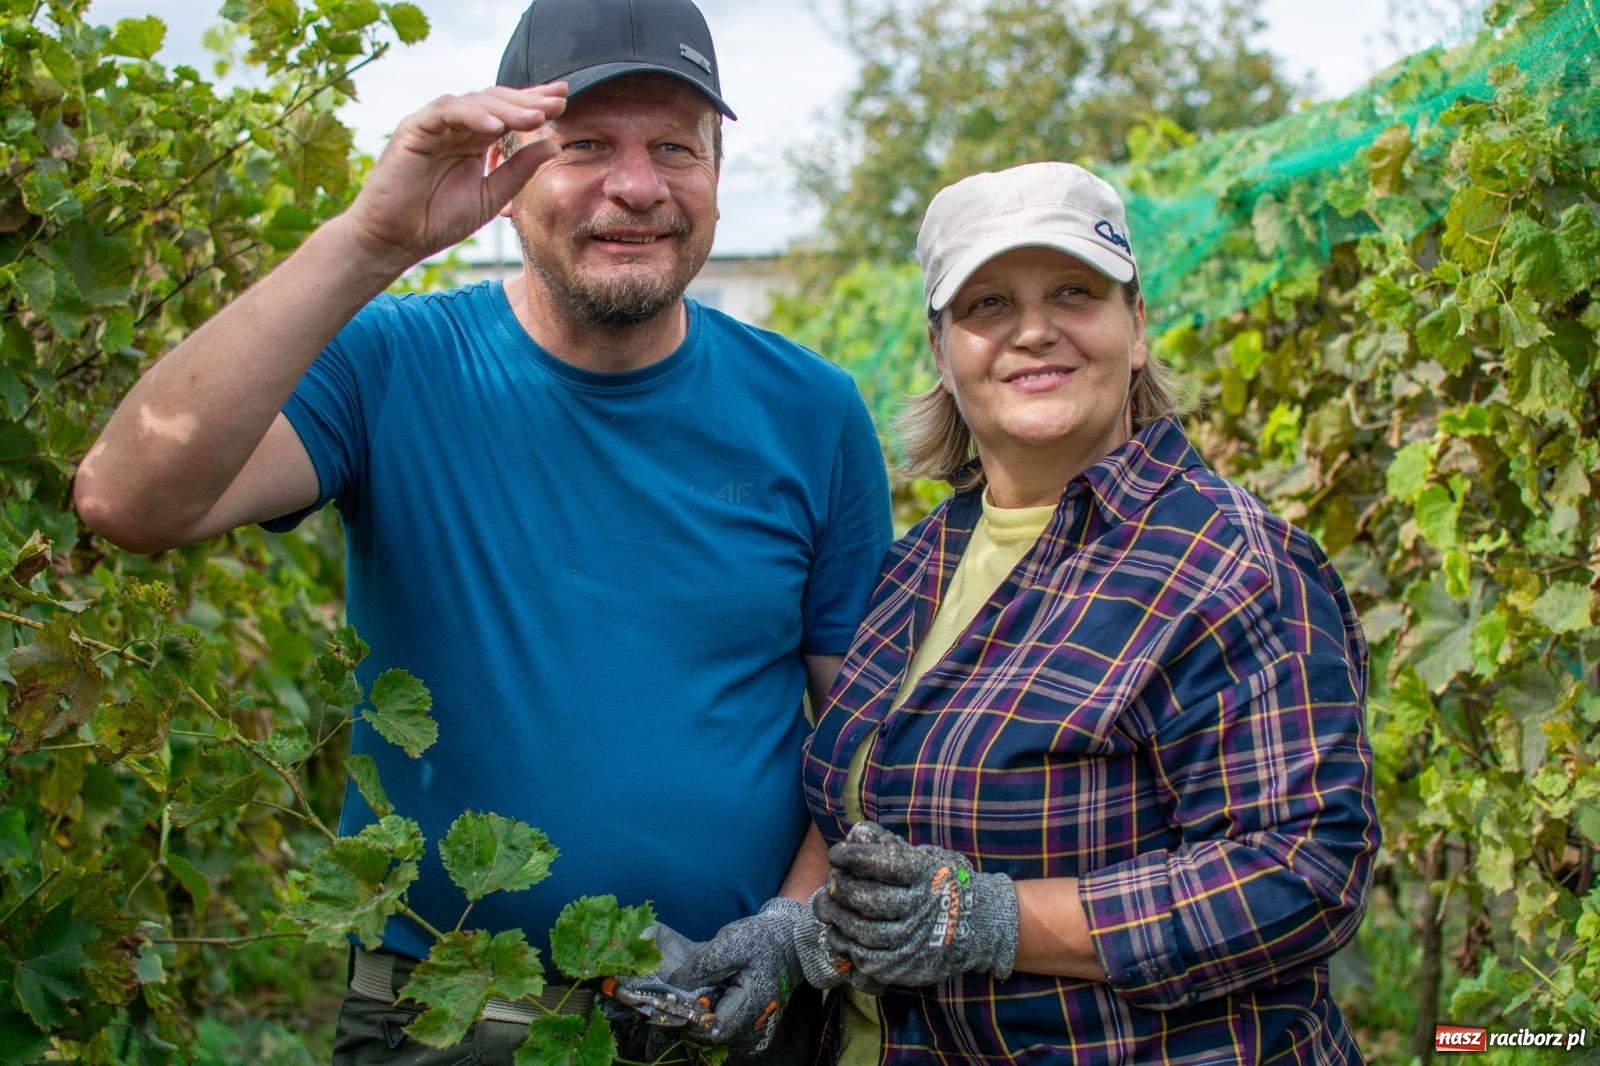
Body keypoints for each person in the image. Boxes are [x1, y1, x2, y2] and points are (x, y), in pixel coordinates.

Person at [73, 0, 891, 1061]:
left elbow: (861, 735)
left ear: (718, 169)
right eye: (586, 144)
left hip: (729, 1016)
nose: (636, 186)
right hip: (448, 1018)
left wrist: (789, 924)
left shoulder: (810, 411)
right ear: (503, 167)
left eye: (674, 148)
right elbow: (129, 499)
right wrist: (370, 239)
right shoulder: (391, 365)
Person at [790, 162, 1380, 1063]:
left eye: (1074, 292)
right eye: (987, 305)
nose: (1033, 330)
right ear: (943, 355)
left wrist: (995, 920)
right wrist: (790, 934)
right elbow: (870, 830)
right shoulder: (917, 566)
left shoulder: (1229, 566)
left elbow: (1304, 872)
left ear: (1135, 328)